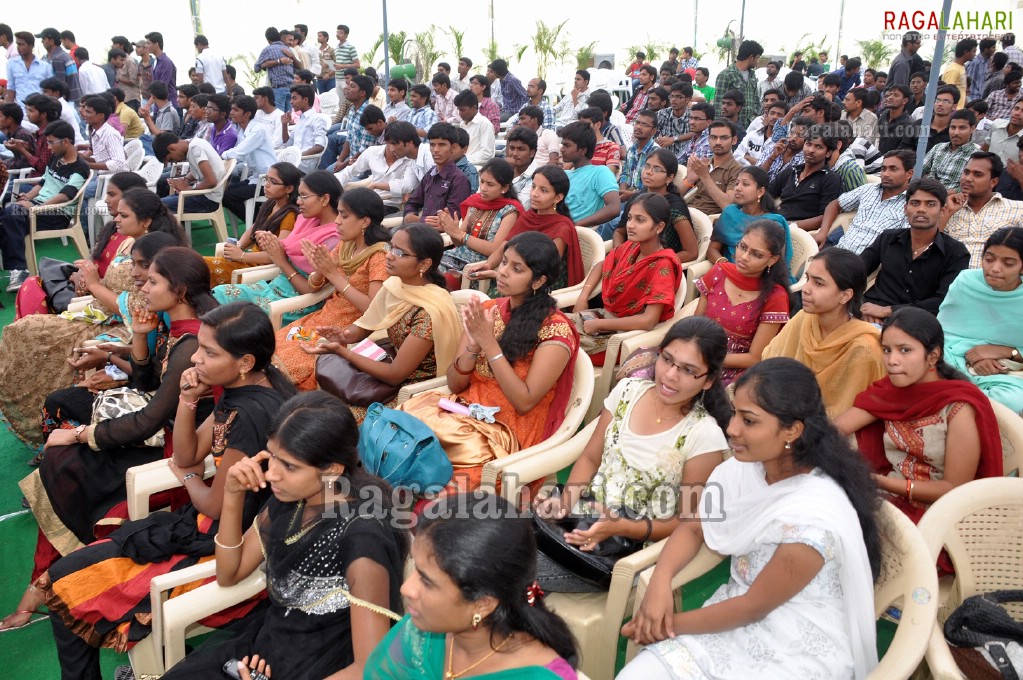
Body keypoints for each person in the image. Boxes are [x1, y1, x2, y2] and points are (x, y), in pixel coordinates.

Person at [37, 302, 297, 678]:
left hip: (224, 545)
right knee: (71, 577)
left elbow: (216, 504)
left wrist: (188, 477)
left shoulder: (253, 414)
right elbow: (190, 451)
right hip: (207, 527)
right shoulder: (244, 390)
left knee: (66, 584)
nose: (196, 358)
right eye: (199, 348)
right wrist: (189, 397)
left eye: (209, 352)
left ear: (244, 361)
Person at [619, 357, 881, 680]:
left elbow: (753, 608)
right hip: (730, 615)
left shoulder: (813, 516)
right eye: (735, 414)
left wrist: (663, 624)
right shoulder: (745, 468)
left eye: (749, 420)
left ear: (792, 430)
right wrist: (659, 584)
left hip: (794, 646)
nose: (732, 428)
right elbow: (694, 527)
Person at [0, 243, 206, 632]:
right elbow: (147, 383)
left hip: (177, 448)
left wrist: (80, 435)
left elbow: (150, 419)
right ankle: (44, 584)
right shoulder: (169, 325)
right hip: (158, 433)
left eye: (152, 280)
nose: (142, 288)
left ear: (179, 291)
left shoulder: (192, 342)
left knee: (66, 463)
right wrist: (141, 337)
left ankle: (47, 584)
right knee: (61, 461)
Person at [532, 316, 730, 592]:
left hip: (631, 553)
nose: (670, 375)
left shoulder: (703, 435)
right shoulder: (628, 391)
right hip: (585, 520)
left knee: (510, 566)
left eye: (687, 370)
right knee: (502, 539)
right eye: (667, 359)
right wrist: (566, 502)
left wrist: (622, 527)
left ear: (708, 380)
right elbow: (590, 458)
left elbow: (687, 523)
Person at [0, 193, 186, 447]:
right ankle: (57, 436)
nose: (113, 214)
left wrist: (114, 360)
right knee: (25, 332)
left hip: (128, 342)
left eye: (123, 213)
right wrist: (85, 282)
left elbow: (153, 389)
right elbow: (148, 372)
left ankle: (65, 438)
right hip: (118, 327)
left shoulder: (179, 327)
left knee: (56, 380)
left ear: (145, 220)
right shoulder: (130, 250)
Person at [398, 232, 578, 493]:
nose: (503, 272)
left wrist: (489, 345)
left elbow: (525, 402)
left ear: (539, 280)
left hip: (508, 430)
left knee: (437, 479)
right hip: (465, 411)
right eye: (504, 262)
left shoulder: (554, 330)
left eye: (516, 268)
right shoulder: (489, 310)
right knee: (400, 437)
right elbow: (455, 383)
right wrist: (472, 346)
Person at [366, 493, 578, 680]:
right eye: (416, 569)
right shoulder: (419, 635)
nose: (406, 589)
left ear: (482, 604)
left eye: (426, 581)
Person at [836, 307, 1003, 529]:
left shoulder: (958, 408)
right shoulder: (892, 390)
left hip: (937, 517)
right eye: (886, 350)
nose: (892, 360)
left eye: (904, 350)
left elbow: (953, 489)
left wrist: (881, 482)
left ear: (932, 356)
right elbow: (836, 429)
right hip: (886, 498)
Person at [305, 224, 462, 418]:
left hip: (413, 389)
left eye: (400, 253)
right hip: (388, 368)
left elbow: (396, 374)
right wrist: (343, 335)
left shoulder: (429, 311)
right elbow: (365, 325)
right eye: (390, 247)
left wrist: (343, 352)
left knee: (336, 418)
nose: (389, 255)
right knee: (318, 403)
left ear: (424, 264)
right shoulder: (395, 284)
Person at [274, 188, 391, 390]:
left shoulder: (378, 256)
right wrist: (321, 270)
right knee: (274, 347)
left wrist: (334, 275)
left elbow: (373, 309)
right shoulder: (346, 246)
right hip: (323, 319)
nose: (337, 221)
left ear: (364, 221)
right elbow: (314, 286)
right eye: (338, 214)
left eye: (344, 215)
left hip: (347, 329)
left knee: (290, 362)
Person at [763, 248, 886, 416]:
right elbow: (770, 363)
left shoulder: (864, 349)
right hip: (781, 409)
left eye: (818, 283)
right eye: (808, 279)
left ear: (845, 296)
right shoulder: (804, 319)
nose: (806, 288)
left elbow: (845, 411)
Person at [213, 171, 341, 323]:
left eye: (304, 196)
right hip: (273, 287)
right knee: (218, 294)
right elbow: (284, 250)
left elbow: (310, 290)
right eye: (299, 196)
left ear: (325, 199)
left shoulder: (333, 238)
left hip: (294, 302)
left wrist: (280, 260)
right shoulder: (307, 221)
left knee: (232, 315)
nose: (298, 201)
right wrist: (273, 246)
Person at [14, 172, 147, 318]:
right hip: (87, 287)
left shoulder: (137, 240)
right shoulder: (113, 229)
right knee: (32, 284)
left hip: (102, 299)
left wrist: (87, 283)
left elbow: (118, 284)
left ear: (131, 196)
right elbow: (93, 261)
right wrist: (79, 276)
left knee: (33, 291)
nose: (106, 200)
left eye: (111, 194)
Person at [570, 194, 683, 359]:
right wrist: (583, 296)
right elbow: (602, 265)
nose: (630, 225)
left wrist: (600, 324)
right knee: (549, 325)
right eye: (629, 218)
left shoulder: (663, 265)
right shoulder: (632, 247)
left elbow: (648, 320)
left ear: (659, 227)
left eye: (640, 220)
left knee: (558, 342)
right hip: (602, 318)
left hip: (625, 338)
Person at [860, 178, 970, 322]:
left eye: (930, 204)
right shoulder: (888, 238)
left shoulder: (956, 252)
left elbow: (944, 300)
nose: (921, 209)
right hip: (870, 313)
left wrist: (889, 311)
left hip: (915, 322)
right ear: (906, 209)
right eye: (915, 203)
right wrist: (860, 306)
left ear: (942, 211)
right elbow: (854, 271)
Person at [938, 226, 1023, 413]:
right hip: (950, 356)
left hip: (1003, 372)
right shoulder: (966, 282)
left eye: (1008, 263)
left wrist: (1007, 352)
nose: (995, 269)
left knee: (1010, 402)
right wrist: (973, 359)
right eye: (989, 259)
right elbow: (942, 332)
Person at [697, 220, 792, 385]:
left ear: (772, 260)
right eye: (742, 247)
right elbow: (696, 323)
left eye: (757, 254)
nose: (744, 257)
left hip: (735, 369)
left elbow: (754, 358)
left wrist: (707, 360)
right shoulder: (720, 272)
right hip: (699, 351)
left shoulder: (774, 296)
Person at [465, 166, 584, 292]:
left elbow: (545, 269)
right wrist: (488, 265)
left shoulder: (562, 227)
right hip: (515, 276)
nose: (534, 194)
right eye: (533, 186)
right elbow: (504, 247)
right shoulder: (528, 217)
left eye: (543, 190)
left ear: (558, 198)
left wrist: (500, 275)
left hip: (540, 286)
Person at [2, 120, 89, 293]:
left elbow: (66, 195)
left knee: (11, 214)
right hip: (40, 207)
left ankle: (19, 270)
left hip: (57, 214)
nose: (48, 147)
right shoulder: (56, 158)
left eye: (51, 142)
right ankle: (17, 268)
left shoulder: (80, 167)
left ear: (65, 141)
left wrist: (34, 207)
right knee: (8, 216)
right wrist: (28, 197)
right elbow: (42, 183)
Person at [206, 162, 301, 286]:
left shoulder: (290, 215)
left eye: (273, 182)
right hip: (250, 259)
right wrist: (239, 246)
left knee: (201, 269)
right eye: (266, 179)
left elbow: (278, 254)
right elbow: (254, 228)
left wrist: (242, 256)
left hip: (260, 268)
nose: (266, 184)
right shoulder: (271, 204)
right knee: (199, 265)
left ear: (289, 188)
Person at [436, 158, 523, 289]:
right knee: (424, 270)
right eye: (482, 182)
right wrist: (451, 231)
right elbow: (459, 242)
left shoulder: (510, 211)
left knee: (442, 281)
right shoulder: (475, 203)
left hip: (482, 266)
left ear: (504, 188)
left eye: (490, 184)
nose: (483, 188)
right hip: (457, 257)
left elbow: (495, 249)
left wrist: (461, 235)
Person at [612, 149, 699, 263]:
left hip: (660, 266)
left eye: (657, 169)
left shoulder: (674, 206)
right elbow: (619, 232)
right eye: (647, 166)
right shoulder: (637, 198)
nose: (648, 172)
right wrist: (620, 256)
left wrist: (652, 262)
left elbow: (691, 252)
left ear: (669, 178)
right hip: (630, 259)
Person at [817, 149, 914, 250]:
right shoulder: (868, 190)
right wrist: (823, 232)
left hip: (868, 262)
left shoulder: (910, 205)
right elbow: (835, 204)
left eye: (893, 169)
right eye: (883, 169)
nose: (886, 174)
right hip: (837, 251)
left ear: (909, 174)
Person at [944, 152, 1023, 267]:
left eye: (977, 174)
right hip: (951, 280)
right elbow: (930, 247)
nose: (968, 178)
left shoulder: (1017, 209)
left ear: (994, 182)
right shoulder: (948, 208)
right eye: (966, 172)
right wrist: (948, 212)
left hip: (996, 280)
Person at [708, 166, 793, 267]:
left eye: (745, 184)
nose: (738, 188)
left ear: (760, 192)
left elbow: (776, 265)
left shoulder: (773, 224)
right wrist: (725, 265)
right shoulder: (730, 213)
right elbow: (712, 249)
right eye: (737, 183)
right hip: (727, 269)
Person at [558, 121, 621, 237]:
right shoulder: (564, 175)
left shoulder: (600, 172)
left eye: (567, 145)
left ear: (583, 150)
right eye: (562, 145)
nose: (562, 149)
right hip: (558, 228)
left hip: (579, 234)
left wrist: (576, 225)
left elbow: (614, 208)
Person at [404, 122, 473, 224]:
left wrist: (417, 220)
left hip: (437, 236)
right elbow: (412, 202)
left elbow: (450, 221)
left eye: (441, 145)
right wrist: (409, 214)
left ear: (453, 148)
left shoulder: (459, 180)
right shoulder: (430, 174)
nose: (435, 150)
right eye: (432, 145)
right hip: (418, 229)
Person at [682, 120, 744, 216]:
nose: (718, 142)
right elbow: (675, 196)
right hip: (688, 212)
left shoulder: (737, 170)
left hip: (707, 221)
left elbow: (728, 206)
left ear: (734, 140)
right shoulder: (703, 164)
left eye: (724, 138)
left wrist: (705, 176)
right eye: (714, 137)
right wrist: (689, 181)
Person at [714, 40, 764, 130]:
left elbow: (756, 101)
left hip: (750, 128)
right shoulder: (726, 75)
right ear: (751, 57)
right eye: (757, 58)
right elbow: (718, 106)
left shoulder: (752, 75)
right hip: (732, 128)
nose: (757, 61)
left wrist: (754, 118)